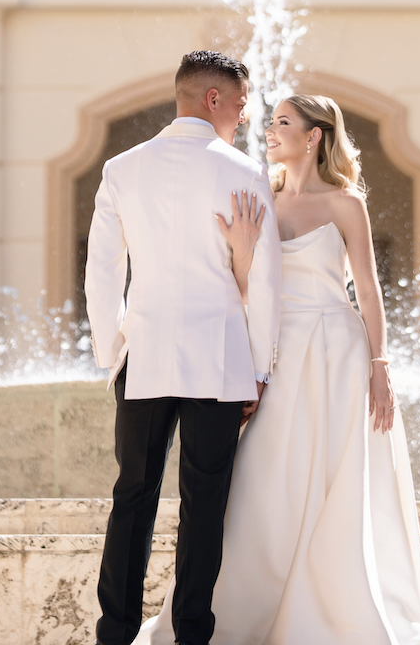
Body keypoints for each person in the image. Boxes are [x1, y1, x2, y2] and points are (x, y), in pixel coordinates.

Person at [139, 94, 420, 645]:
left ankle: (334, 613)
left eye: (283, 123)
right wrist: (242, 250)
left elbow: (368, 291)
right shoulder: (262, 199)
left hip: (339, 352)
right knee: (261, 478)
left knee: (339, 479)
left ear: (315, 136)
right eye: (271, 121)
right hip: (281, 351)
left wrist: (380, 365)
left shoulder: (347, 203)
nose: (271, 130)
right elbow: (247, 291)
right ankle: (235, 612)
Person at [85, 50, 282, 645]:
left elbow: (101, 269)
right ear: (213, 99)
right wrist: (262, 366)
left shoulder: (121, 169)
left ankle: (114, 635)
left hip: (143, 357)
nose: (246, 119)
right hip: (220, 363)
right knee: (205, 507)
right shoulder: (245, 173)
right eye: (242, 105)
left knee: (132, 500)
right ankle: (193, 633)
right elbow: (265, 280)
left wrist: (110, 347)